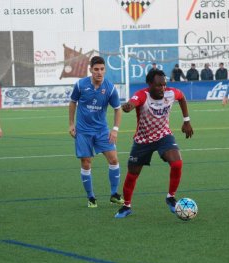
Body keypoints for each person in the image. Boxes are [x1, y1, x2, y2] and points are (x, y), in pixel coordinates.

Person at [115, 69, 194, 218]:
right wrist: (129, 106)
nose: (162, 88)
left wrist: (186, 121)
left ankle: (170, 197)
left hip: (163, 136)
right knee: (133, 173)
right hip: (142, 140)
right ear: (149, 84)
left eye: (164, 85)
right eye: (158, 85)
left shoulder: (171, 93)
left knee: (177, 163)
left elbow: (182, 97)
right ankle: (126, 206)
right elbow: (133, 102)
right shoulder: (142, 95)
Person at [68, 56, 124, 208]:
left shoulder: (110, 88)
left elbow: (118, 110)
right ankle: (91, 197)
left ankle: (114, 194)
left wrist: (115, 130)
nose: (99, 72)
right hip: (83, 132)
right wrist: (71, 123)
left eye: (102, 69)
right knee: (86, 163)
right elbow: (73, 102)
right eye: (96, 69)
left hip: (102, 130)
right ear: (90, 70)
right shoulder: (80, 85)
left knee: (113, 160)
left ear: (105, 70)